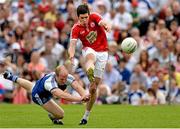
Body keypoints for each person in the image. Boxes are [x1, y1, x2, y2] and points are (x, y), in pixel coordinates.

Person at [3, 65, 90, 125]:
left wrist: (85, 95)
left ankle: (11, 77)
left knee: (30, 86)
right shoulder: (50, 82)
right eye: (62, 79)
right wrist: (79, 99)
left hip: (40, 85)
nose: (64, 81)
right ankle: (53, 116)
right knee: (60, 114)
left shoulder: (66, 76)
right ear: (56, 75)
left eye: (66, 78)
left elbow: (77, 86)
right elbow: (61, 95)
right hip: (39, 95)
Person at [68, 4, 111, 125]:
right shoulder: (75, 28)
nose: (84, 20)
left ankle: (86, 116)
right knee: (90, 58)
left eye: (86, 17)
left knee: (93, 90)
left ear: (89, 15)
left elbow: (103, 22)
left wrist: (106, 26)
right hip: (89, 49)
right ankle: (90, 72)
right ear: (78, 17)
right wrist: (71, 55)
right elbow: (72, 45)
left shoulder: (95, 17)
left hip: (103, 52)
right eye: (81, 18)